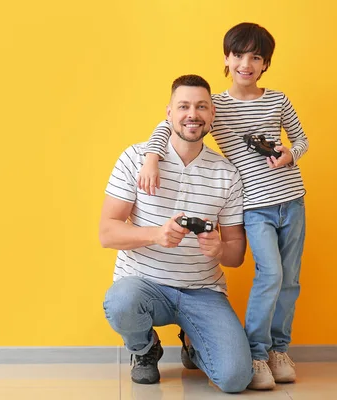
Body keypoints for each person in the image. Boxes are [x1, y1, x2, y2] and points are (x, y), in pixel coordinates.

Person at [137, 23, 309, 390]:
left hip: (292, 201)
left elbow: (302, 139)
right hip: (255, 208)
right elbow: (168, 124)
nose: (246, 63)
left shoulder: (278, 100)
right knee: (271, 276)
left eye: (256, 57)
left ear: (265, 64)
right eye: (238, 55)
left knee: (290, 280)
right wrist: (152, 157)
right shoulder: (216, 106)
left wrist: (291, 154)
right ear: (226, 59)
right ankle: (258, 354)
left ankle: (280, 350)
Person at [100, 74, 253, 393]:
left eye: (201, 106)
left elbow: (236, 253)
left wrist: (218, 250)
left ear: (212, 114)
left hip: (202, 290)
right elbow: (107, 233)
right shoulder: (136, 159)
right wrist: (156, 235)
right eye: (183, 106)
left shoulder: (227, 174)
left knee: (236, 379)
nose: (192, 114)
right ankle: (145, 351)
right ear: (168, 113)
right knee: (121, 301)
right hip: (144, 284)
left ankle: (193, 343)